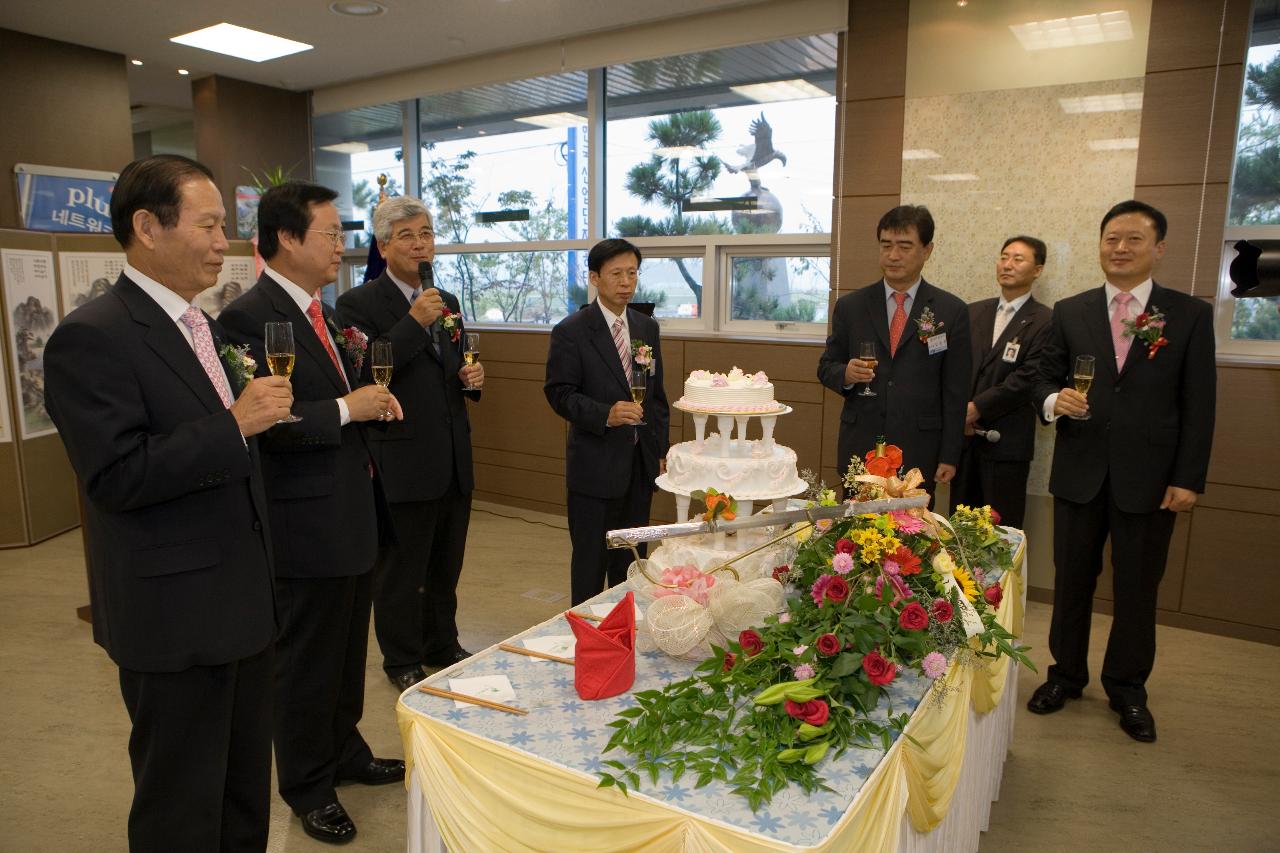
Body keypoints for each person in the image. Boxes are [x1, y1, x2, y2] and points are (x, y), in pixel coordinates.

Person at [43, 155, 293, 852]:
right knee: (181, 805)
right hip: (174, 617)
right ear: (147, 227)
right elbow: (116, 477)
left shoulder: (200, 325)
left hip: (241, 604)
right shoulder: (92, 337)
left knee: (243, 793)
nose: (224, 242)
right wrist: (233, 425)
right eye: (209, 224)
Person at [219, 182, 406, 844]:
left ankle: (345, 749)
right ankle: (306, 782)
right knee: (304, 661)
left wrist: (369, 404)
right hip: (302, 522)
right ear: (289, 239)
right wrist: (346, 408)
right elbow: (266, 420)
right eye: (330, 233)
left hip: (349, 509)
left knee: (346, 647)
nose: (342, 246)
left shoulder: (320, 313)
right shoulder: (248, 317)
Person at [1027, 201, 1216, 743]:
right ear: (1100, 244)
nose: (1120, 248)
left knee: (1137, 589)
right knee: (1071, 583)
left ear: (1158, 248)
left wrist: (1188, 478)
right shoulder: (1072, 310)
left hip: (1151, 480)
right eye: (1112, 238)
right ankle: (1065, 675)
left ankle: (1128, 689)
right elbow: (1040, 376)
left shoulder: (1188, 315)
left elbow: (1199, 404)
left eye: (1134, 239)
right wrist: (1050, 400)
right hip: (1080, 471)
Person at [335, 196, 482, 692]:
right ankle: (401, 657)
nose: (420, 244)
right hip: (401, 457)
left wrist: (470, 375)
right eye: (408, 236)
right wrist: (414, 321)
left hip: (452, 454)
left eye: (426, 234)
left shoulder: (448, 300)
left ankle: (443, 643)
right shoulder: (357, 304)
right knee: (401, 571)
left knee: (447, 564)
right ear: (383, 245)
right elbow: (365, 367)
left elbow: (451, 362)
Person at [545, 238, 670, 606]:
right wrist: (606, 414)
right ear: (595, 278)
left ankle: (627, 629)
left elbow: (657, 397)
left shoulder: (647, 327)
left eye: (632, 273)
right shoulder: (571, 331)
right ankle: (586, 636)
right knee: (590, 562)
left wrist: (659, 451)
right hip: (595, 467)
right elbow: (559, 394)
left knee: (631, 560)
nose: (626, 282)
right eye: (617, 273)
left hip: (638, 465)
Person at [817, 204, 970, 495]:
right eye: (886, 245)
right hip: (861, 447)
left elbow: (956, 390)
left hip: (919, 449)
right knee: (853, 535)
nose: (893, 255)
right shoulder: (852, 306)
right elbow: (826, 367)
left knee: (914, 534)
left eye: (904, 246)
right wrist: (846, 373)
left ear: (927, 250)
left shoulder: (951, 311)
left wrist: (950, 454)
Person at [951, 236, 1053, 528]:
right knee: (959, 530)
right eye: (1004, 256)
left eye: (1018, 259)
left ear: (1038, 270)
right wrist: (961, 411)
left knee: (1000, 534)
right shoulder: (972, 312)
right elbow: (957, 368)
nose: (1007, 264)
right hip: (965, 442)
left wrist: (977, 407)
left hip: (1007, 445)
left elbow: (1029, 377)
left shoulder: (1045, 319)